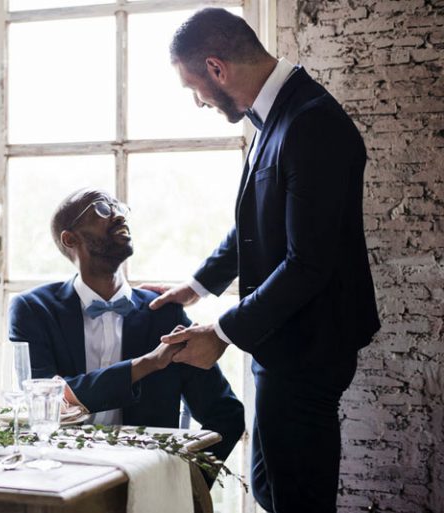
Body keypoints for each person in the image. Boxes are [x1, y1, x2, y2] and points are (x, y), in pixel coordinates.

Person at [145, 8, 380, 513]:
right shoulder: (278, 112)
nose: (198, 101)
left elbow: (308, 263)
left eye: (194, 88)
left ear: (216, 68)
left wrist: (221, 333)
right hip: (282, 343)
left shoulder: (312, 123)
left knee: (296, 501)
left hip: (308, 347)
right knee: (271, 489)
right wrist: (198, 285)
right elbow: (257, 221)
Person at [8, 188, 245, 487]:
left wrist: (181, 487)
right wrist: (147, 363)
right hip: (58, 476)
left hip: (143, 482)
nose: (119, 215)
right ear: (70, 239)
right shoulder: (33, 310)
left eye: (119, 207)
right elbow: (45, 399)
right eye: (102, 209)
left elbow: (226, 415)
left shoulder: (164, 315)